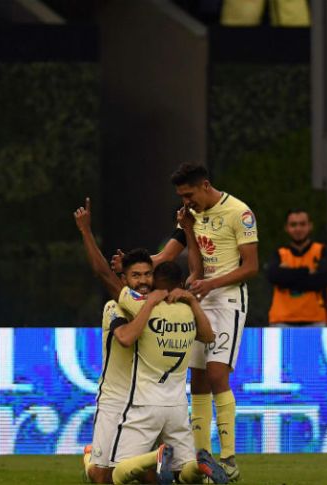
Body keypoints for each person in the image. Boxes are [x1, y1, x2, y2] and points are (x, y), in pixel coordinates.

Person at [114, 163, 259, 481]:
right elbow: (167, 258)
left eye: (188, 194)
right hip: (200, 294)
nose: (185, 201)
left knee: (218, 374)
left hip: (228, 299)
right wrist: (128, 266)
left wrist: (210, 284)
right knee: (198, 379)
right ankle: (203, 458)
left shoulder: (239, 213)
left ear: (205, 185)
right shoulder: (189, 216)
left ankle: (229, 457)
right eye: (181, 196)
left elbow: (251, 267)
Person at [74, 198, 229, 485]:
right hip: (116, 399)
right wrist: (85, 231)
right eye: (136, 275)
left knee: (146, 476)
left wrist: (187, 232)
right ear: (124, 278)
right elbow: (105, 277)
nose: (143, 281)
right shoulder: (119, 306)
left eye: (148, 275)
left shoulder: (164, 303)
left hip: (144, 401)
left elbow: (196, 274)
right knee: (102, 478)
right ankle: (89, 458)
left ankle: (158, 458)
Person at [266, 209, 327, 327]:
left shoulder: (323, 251)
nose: (298, 229)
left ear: (310, 226)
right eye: (293, 225)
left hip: (315, 320)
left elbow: (321, 280)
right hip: (281, 321)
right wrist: (307, 272)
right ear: (286, 228)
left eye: (302, 224)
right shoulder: (279, 253)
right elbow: (273, 276)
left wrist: (287, 276)